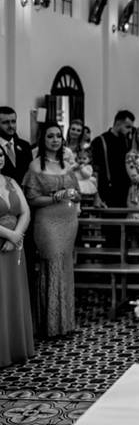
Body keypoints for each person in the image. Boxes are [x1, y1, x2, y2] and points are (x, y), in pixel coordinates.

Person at [23, 122, 80, 337]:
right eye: (50, 136)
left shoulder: (67, 165)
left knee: (65, 266)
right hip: (47, 221)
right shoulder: (35, 166)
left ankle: (66, 323)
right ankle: (50, 324)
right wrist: (55, 197)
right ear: (43, 139)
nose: (55, 140)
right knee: (52, 264)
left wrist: (73, 195)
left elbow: (78, 194)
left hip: (68, 221)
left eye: (58, 136)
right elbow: (31, 198)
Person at [0, 147, 35, 367]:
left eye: (0, 155)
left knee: (13, 293)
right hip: (3, 243)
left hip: (14, 247)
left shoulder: (11, 181)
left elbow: (25, 211)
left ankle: (15, 347)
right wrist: (9, 235)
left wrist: (16, 237)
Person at [92, 109, 134, 209]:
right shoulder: (99, 141)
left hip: (125, 192)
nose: (130, 130)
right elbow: (95, 172)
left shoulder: (128, 142)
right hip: (107, 191)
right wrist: (96, 195)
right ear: (118, 123)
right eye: (127, 127)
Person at [0, 106, 34, 185]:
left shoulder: (25, 146)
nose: (11, 126)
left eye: (13, 121)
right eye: (5, 122)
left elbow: (30, 174)